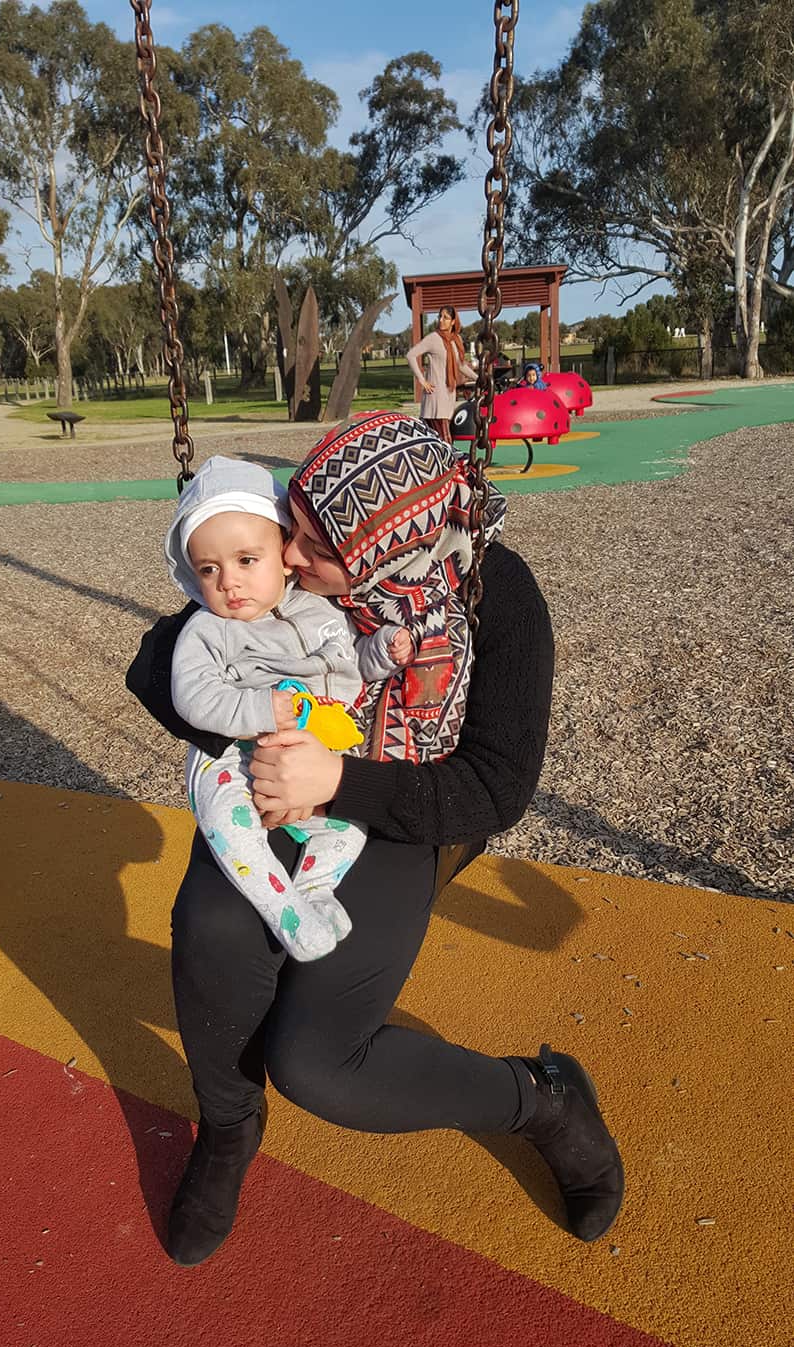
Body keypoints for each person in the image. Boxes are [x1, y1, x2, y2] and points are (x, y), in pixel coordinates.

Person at [126, 411, 624, 1268]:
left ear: (380, 548)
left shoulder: (492, 599)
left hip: (402, 809)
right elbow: (153, 671)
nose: (286, 556)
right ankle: (229, 1128)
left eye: (312, 547)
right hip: (268, 783)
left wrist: (337, 779)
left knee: (320, 1064)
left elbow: (495, 788)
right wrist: (250, 690)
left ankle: (541, 1100)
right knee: (213, 931)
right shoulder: (263, 582)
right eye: (291, 528)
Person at [165, 455, 403, 963]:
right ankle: (283, 910)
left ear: (282, 551)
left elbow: (347, 667)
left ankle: (316, 889)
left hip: (312, 747)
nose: (229, 582)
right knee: (228, 824)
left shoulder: (320, 611)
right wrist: (260, 709)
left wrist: (379, 653)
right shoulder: (208, 630)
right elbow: (194, 696)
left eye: (246, 560)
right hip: (233, 755)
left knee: (349, 824)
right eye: (209, 569)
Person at [407, 306, 477, 443]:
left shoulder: (456, 340)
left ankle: (445, 463)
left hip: (448, 395)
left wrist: (478, 378)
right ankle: (448, 463)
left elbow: (460, 365)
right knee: (444, 440)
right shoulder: (433, 338)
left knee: (442, 440)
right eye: (440, 316)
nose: (441, 320)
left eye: (445, 317)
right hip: (435, 397)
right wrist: (422, 380)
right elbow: (411, 355)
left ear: (453, 321)